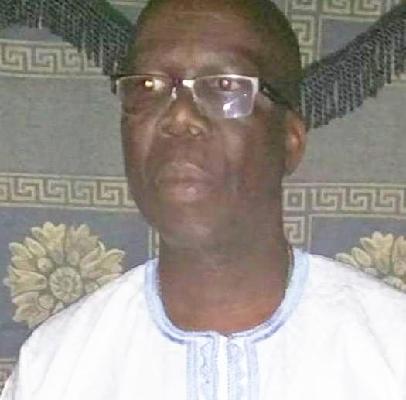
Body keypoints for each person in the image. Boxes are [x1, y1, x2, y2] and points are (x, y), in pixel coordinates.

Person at [2, 0, 406, 399]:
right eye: (148, 86)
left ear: (290, 141)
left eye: (224, 86)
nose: (179, 117)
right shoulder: (56, 366)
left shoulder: (391, 349)